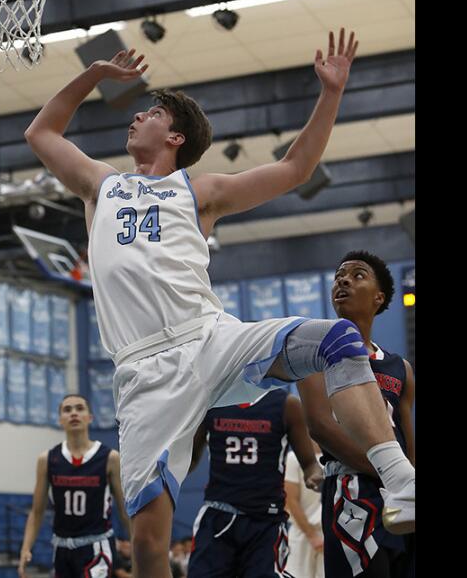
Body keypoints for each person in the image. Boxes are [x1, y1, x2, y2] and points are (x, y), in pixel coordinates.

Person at [22, 31, 415, 578]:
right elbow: (40, 131)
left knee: (338, 340)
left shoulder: (198, 191)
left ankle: (399, 476)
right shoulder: (100, 185)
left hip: (210, 338)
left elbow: (296, 168)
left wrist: (331, 93)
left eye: (152, 112)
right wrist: (93, 75)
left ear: (175, 135)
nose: (137, 117)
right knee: (152, 542)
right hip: (143, 371)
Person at [298, 251, 416, 578]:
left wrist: (408, 479)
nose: (344, 280)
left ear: (378, 298)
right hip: (349, 486)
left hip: (400, 492)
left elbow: (407, 438)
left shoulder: (400, 367)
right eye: (339, 276)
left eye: (358, 275)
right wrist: (388, 472)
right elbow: (320, 426)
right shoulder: (314, 351)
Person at [186, 388, 322, 578]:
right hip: (219, 515)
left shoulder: (287, 405)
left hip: (265, 521)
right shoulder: (211, 400)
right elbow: (189, 459)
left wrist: (315, 477)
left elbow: (309, 464)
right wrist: (162, 474)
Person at [20, 394, 132, 578]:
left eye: (80, 408)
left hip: (97, 546)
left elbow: (123, 508)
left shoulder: (110, 458)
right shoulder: (47, 459)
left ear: (90, 417)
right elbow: (37, 511)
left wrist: (136, 545)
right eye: (67, 409)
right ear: (60, 420)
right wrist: (26, 548)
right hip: (62, 548)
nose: (73, 413)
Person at [283, 439, 325, 578]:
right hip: (303, 534)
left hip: (329, 534)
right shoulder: (293, 459)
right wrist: (312, 535)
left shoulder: (337, 459)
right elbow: (290, 501)